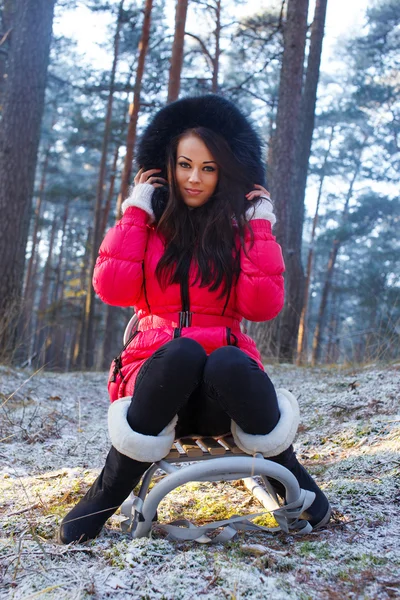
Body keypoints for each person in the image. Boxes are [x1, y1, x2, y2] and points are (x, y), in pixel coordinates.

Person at [59, 95, 330, 544]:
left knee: (225, 360)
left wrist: (259, 226)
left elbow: (263, 306)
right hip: (158, 382)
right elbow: (112, 287)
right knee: (181, 351)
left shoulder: (240, 230)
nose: (194, 178)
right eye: (185, 165)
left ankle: (289, 471)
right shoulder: (147, 225)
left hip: (223, 394)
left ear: (224, 171)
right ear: (168, 165)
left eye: (208, 168)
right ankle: (110, 488)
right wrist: (137, 210)